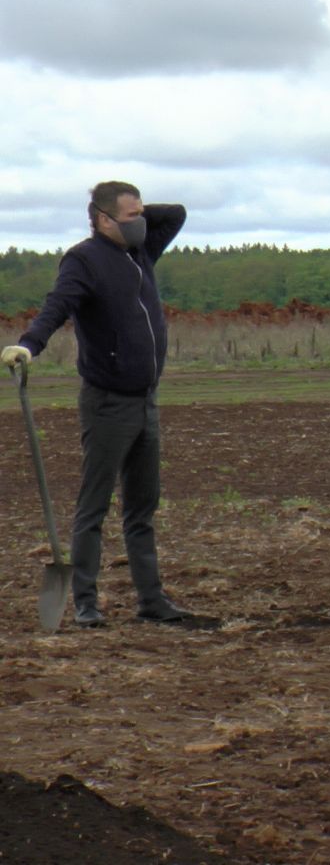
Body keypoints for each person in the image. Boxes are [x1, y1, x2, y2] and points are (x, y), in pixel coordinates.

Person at [2, 182, 191, 626]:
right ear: (103, 219)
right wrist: (29, 345)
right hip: (107, 403)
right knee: (94, 507)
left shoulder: (140, 251)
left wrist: (134, 214)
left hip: (146, 401)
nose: (142, 222)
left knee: (142, 508)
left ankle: (152, 600)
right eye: (130, 216)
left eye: (142, 214)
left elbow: (176, 213)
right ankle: (87, 603)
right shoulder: (84, 260)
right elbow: (57, 306)